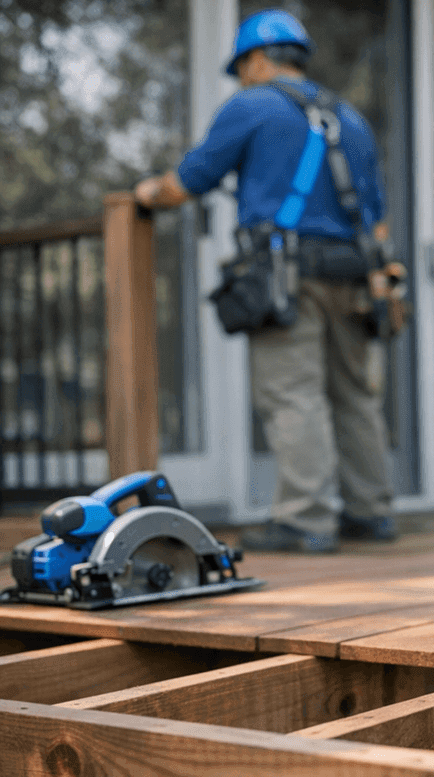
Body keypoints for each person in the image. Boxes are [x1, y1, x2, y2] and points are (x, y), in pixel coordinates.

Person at [136, 9, 399, 553]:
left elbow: (190, 182)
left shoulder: (251, 105)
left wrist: (146, 195)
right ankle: (371, 513)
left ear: (257, 60)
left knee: (293, 395)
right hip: (353, 277)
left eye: (241, 67)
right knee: (354, 395)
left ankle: (306, 520)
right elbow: (375, 217)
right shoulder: (349, 117)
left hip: (288, 276)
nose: (241, 78)